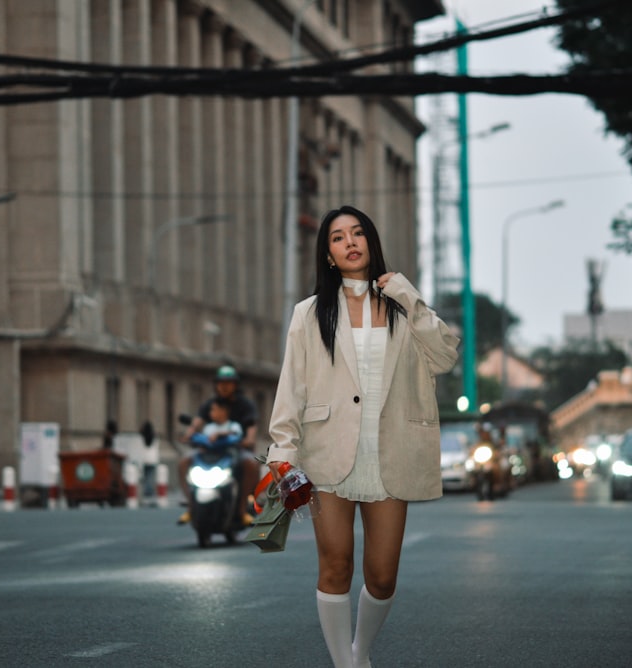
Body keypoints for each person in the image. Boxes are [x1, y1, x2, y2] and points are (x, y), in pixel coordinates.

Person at [265, 205, 459, 668]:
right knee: (335, 567)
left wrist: (409, 296)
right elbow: (292, 385)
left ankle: (360, 650)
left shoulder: (401, 306)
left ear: (371, 243)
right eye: (337, 237)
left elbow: (446, 356)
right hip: (327, 451)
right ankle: (346, 665)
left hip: (391, 450)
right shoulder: (310, 313)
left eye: (357, 234)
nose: (349, 242)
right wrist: (282, 452)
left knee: (383, 576)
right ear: (328, 254)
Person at [178, 365, 259, 526]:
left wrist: (248, 440)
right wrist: (189, 435)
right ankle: (191, 506)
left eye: (228, 382)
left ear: (235, 385)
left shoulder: (245, 405)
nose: (224, 386)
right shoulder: (209, 404)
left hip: (236, 451)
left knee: (251, 464)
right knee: (184, 462)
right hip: (210, 453)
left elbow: (251, 428)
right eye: (221, 382)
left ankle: (242, 509)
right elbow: (196, 423)